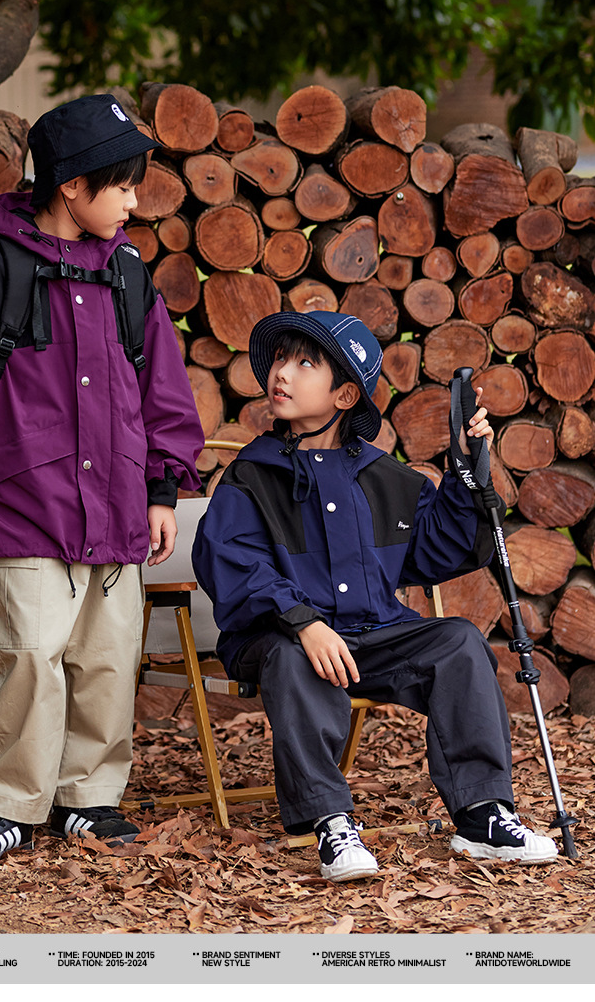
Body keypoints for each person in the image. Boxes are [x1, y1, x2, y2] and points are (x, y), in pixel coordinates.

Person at [0, 94, 204, 863]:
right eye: (122, 186)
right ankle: (11, 803)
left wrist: (160, 490)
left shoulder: (128, 275)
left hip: (117, 505)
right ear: (71, 186)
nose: (133, 201)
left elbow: (164, 391)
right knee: (30, 656)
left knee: (107, 660)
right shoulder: (1, 268)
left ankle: (90, 796)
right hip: (29, 502)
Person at [191, 310, 558, 882]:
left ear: (344, 396)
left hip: (374, 636)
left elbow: (440, 550)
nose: (281, 373)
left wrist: (466, 467)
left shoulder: (383, 476)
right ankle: (331, 821)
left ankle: (483, 813)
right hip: (281, 637)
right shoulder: (250, 477)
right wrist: (303, 620)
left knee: (459, 641)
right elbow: (231, 562)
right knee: (294, 656)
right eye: (281, 359)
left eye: (304, 363)